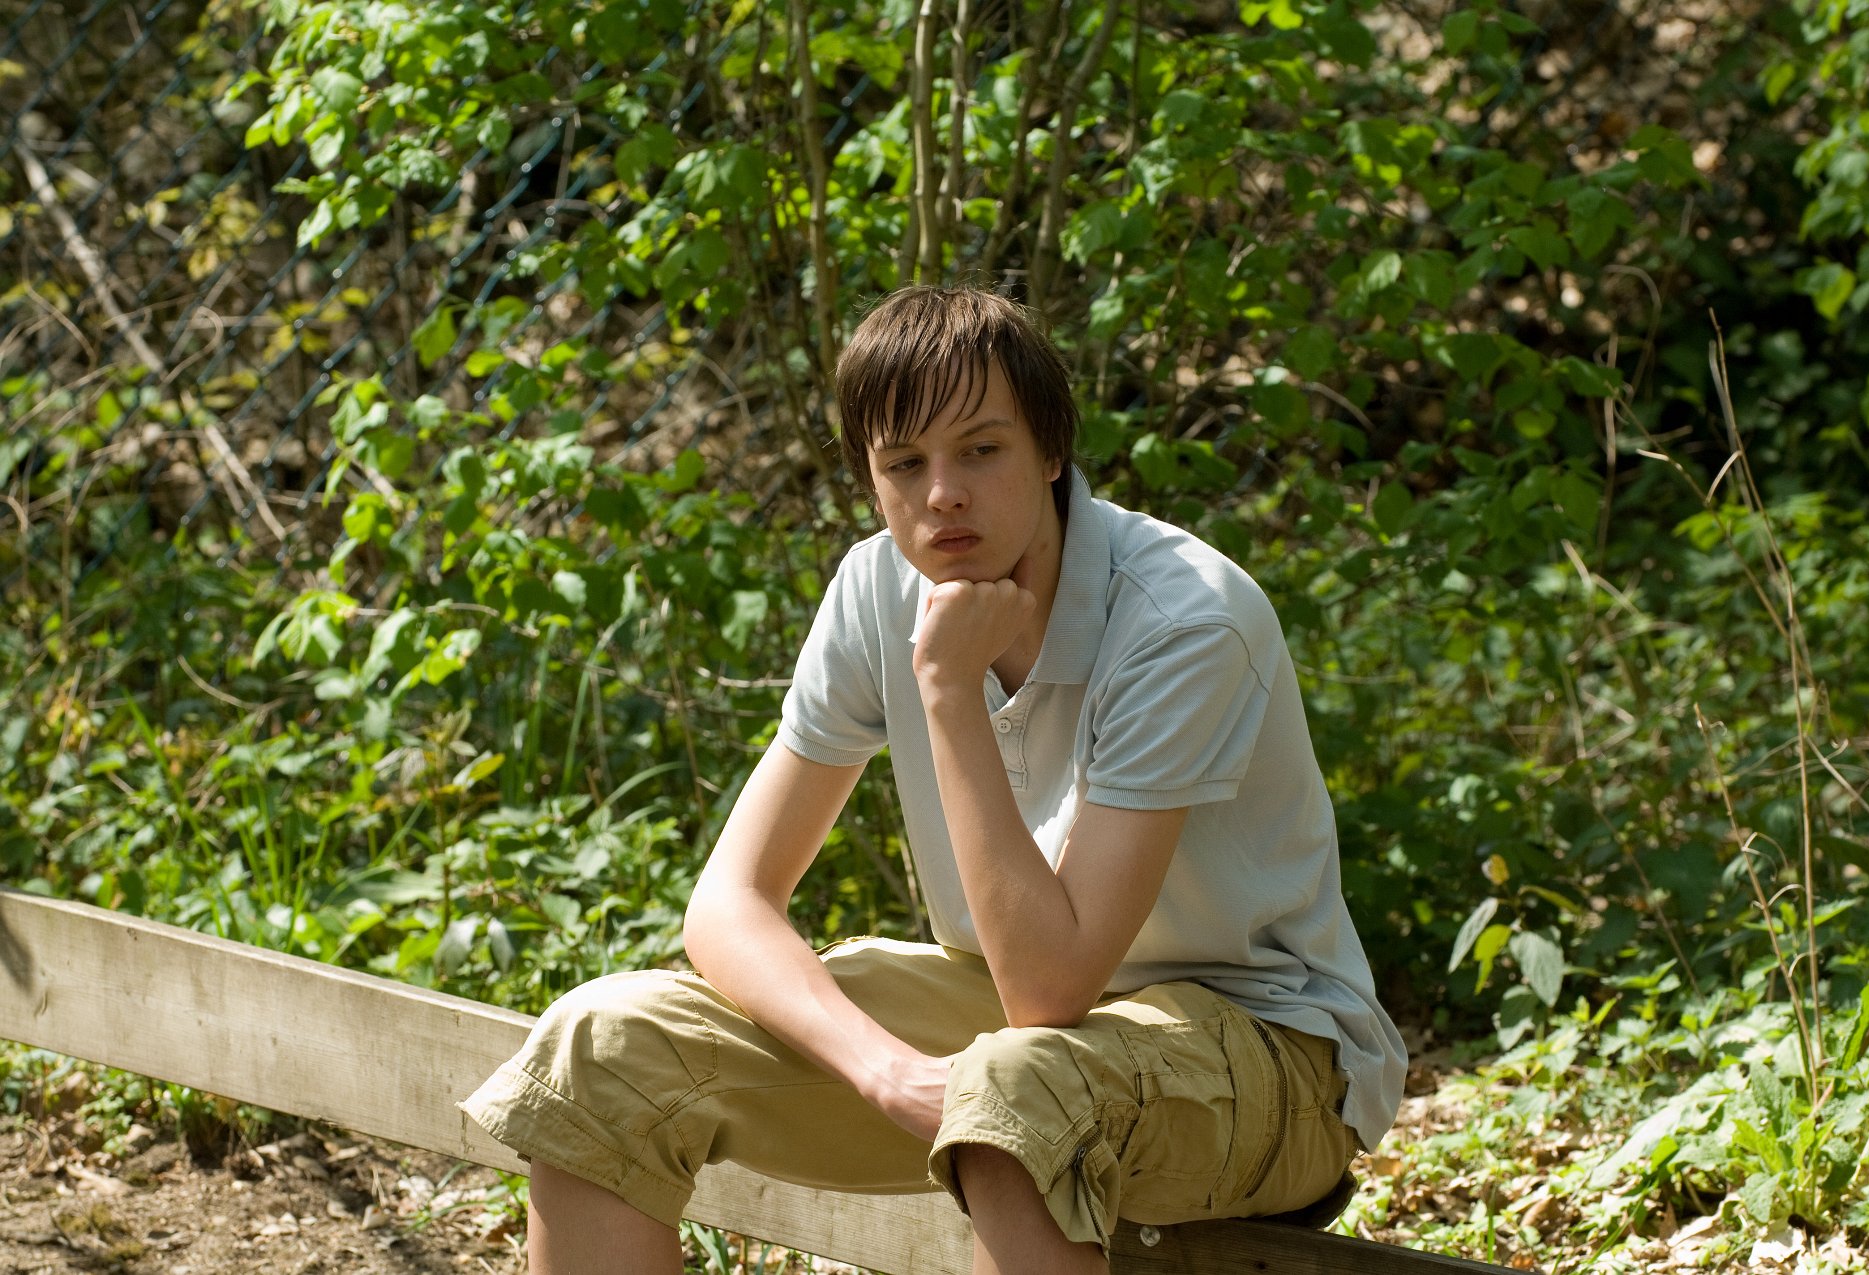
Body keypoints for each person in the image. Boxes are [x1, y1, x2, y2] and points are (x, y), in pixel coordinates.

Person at [460, 285, 1407, 1275]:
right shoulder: (876, 587)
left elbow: (1049, 985)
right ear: (871, 481)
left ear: (1051, 451)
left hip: (1272, 1050)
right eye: (904, 463)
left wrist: (949, 689)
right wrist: (886, 1071)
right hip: (1016, 1030)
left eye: (981, 449)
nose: (943, 493)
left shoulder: (1183, 620)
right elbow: (729, 904)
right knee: (602, 1049)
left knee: (1016, 1090)